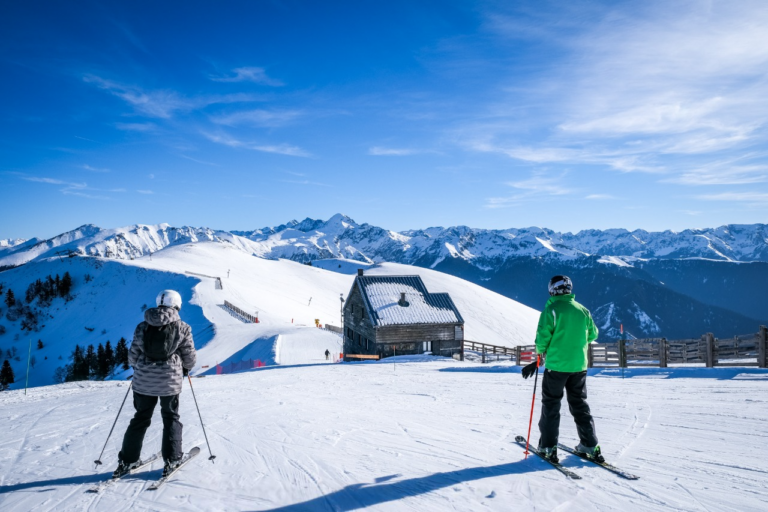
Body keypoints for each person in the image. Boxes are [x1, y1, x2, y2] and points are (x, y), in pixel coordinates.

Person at [114, 289, 196, 478]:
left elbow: (133, 355)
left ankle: (127, 461)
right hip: (170, 382)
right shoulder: (183, 327)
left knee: (140, 418)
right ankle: (173, 458)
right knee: (170, 418)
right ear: (177, 304)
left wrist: (140, 369)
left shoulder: (142, 326)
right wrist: (185, 369)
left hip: (144, 380)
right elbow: (189, 356)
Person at [522, 275, 602, 464]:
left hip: (557, 366)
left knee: (551, 405)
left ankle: (548, 447)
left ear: (552, 290)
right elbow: (593, 334)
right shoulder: (582, 310)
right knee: (580, 405)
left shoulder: (551, 310)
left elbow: (542, 339)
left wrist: (540, 355)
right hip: (579, 367)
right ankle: (590, 446)